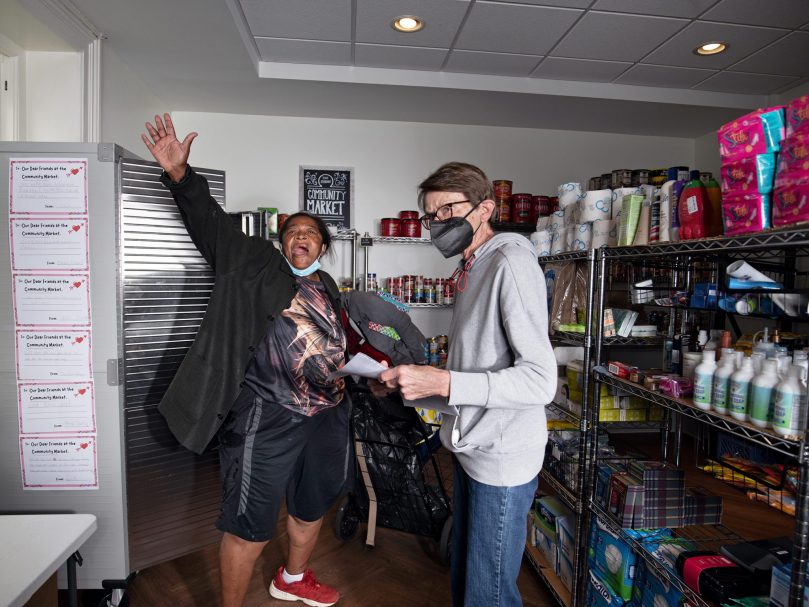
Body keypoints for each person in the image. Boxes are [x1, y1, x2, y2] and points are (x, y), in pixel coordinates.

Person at [142, 114, 349, 607]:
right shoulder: (253, 262)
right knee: (250, 521)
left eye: (311, 234)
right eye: (293, 232)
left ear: (324, 246)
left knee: (311, 504)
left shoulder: (329, 288)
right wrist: (181, 177)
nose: (302, 237)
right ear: (282, 241)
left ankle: (293, 580)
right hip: (269, 415)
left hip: (328, 415)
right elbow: (211, 226)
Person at [376, 162, 557, 607]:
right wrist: (411, 385)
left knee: (488, 592)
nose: (437, 223)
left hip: (502, 459)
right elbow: (476, 372)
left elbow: (539, 381)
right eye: (429, 215)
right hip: (469, 447)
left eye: (447, 210)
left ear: (485, 208)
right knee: (466, 576)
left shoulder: (511, 262)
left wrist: (444, 381)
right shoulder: (472, 268)